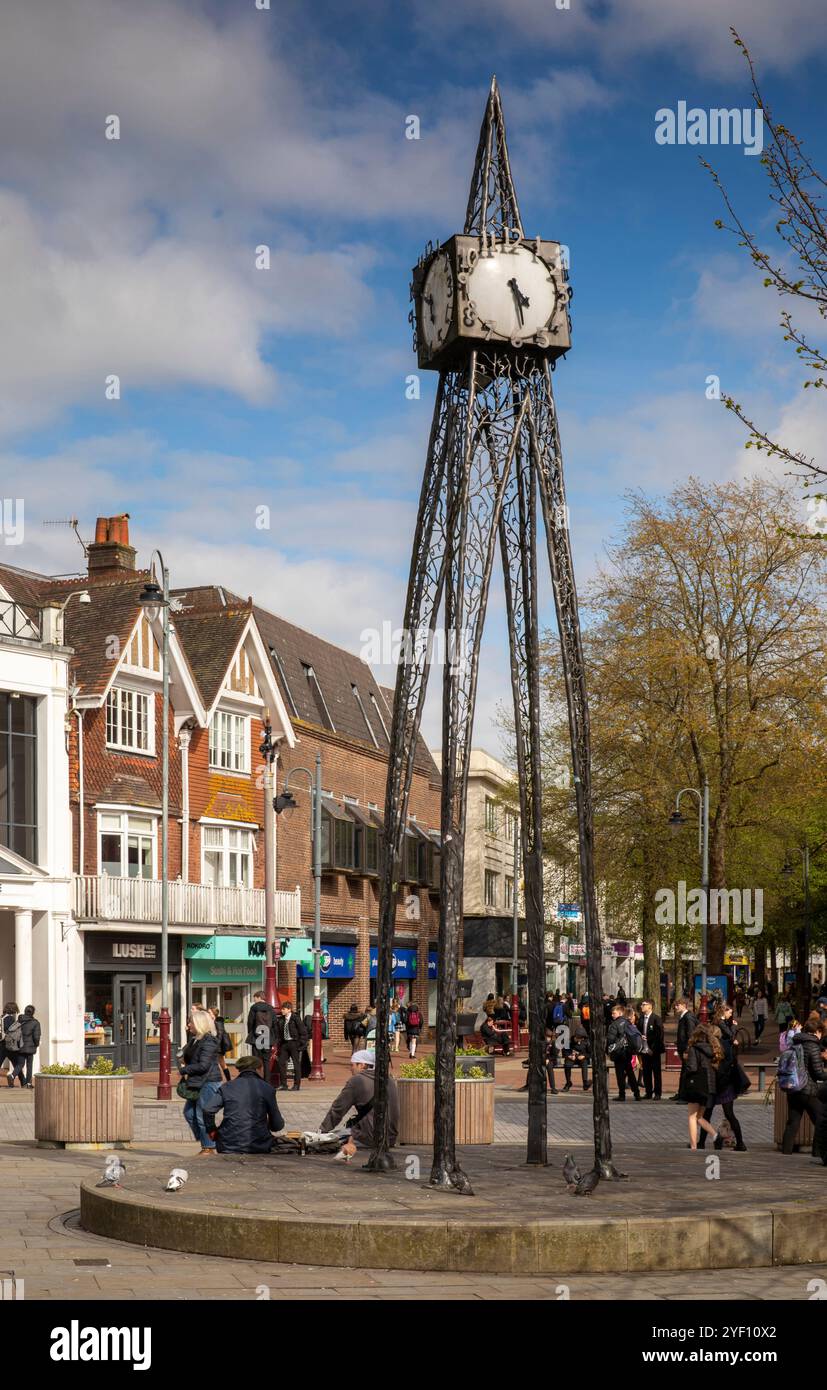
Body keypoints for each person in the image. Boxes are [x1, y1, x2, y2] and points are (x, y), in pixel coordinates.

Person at [319, 1049, 399, 1161]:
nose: (350, 1069)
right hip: (390, 1138)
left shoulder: (357, 1080)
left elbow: (338, 1109)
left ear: (362, 1065)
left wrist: (322, 1132)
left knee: (333, 1137)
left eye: (352, 1065)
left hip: (370, 1138)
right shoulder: (388, 1078)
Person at [201, 1055, 285, 1154]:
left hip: (227, 1144)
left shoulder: (227, 1087)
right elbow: (277, 1126)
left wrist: (211, 1129)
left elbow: (208, 1109)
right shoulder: (267, 1088)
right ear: (259, 1069)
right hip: (258, 1145)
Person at [698, 1006, 747, 1151]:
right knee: (730, 1114)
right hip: (726, 1084)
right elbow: (732, 1062)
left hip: (713, 1084)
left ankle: (701, 1143)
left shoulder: (708, 1047)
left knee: (706, 1114)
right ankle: (740, 1143)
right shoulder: (727, 1045)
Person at [781, 1012, 827, 1157]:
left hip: (793, 1087)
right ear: (817, 1032)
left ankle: (786, 1152)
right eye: (821, 1033)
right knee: (821, 1120)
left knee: (793, 1122)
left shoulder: (795, 1041)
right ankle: (818, 1152)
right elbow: (819, 1073)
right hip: (807, 1089)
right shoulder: (812, 1045)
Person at [180, 1008, 223, 1155]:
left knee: (201, 1115)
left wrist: (185, 1070)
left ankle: (209, 1146)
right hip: (197, 1081)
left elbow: (203, 1065)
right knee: (189, 1113)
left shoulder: (209, 1040)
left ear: (199, 1023)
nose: (188, 1025)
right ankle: (209, 1141)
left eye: (190, 1022)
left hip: (208, 1082)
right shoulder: (195, 1039)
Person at [680, 1024, 721, 1150]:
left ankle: (693, 1146)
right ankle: (715, 1135)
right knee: (699, 1117)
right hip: (709, 1086)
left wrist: (685, 1060)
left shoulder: (694, 1048)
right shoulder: (713, 1048)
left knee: (692, 1116)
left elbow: (692, 1067)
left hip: (696, 1084)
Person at [606, 1004, 640, 1102]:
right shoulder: (628, 1022)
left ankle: (622, 1094)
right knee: (630, 1072)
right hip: (628, 1051)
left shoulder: (614, 1024)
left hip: (619, 1052)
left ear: (620, 1013)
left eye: (614, 1013)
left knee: (620, 1074)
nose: (612, 1015)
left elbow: (610, 1039)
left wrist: (608, 1049)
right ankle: (636, 1093)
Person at [274, 1000, 307, 1092]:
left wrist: (301, 1044)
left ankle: (296, 1085)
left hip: (294, 1043)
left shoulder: (295, 1018)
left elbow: (303, 1032)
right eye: (282, 1009)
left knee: (296, 1064)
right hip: (284, 1044)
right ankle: (283, 1084)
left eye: (284, 1009)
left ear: (289, 1009)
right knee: (281, 1063)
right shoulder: (281, 1019)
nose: (282, 1011)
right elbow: (278, 1032)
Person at [638, 999, 665, 1100]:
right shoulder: (641, 1019)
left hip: (654, 1050)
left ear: (650, 1006)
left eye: (644, 1005)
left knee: (656, 1072)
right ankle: (648, 1092)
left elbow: (659, 1035)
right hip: (644, 1050)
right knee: (646, 1072)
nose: (641, 1006)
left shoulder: (656, 1019)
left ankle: (657, 1093)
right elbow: (638, 1031)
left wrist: (652, 1047)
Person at [246, 991, 277, 1076]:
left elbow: (250, 1022)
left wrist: (250, 1032)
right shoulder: (271, 1008)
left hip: (256, 1037)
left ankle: (256, 1080)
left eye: (254, 998)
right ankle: (267, 1081)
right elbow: (275, 1024)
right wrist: (274, 1037)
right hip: (267, 1037)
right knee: (266, 1062)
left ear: (259, 997)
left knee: (255, 1061)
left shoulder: (254, 1008)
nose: (254, 1000)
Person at [8, 1005, 39, 1089]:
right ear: (33, 1012)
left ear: (25, 1011)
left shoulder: (19, 1020)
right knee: (29, 1065)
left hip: (20, 1046)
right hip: (30, 1047)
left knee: (20, 1064)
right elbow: (36, 1037)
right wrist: (36, 1044)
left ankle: (12, 1075)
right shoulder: (35, 1022)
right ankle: (28, 1084)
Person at [674, 996, 698, 1103]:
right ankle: (681, 1093)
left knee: (686, 1072)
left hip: (686, 1049)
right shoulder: (683, 1016)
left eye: (677, 1005)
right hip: (682, 1047)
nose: (675, 1007)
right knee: (683, 1071)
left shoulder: (688, 1017)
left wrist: (687, 1050)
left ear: (684, 1005)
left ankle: (685, 1096)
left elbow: (690, 1034)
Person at [209, 1008, 234, 1082]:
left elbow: (220, 1034)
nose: (208, 1013)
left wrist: (216, 1045)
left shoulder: (218, 1021)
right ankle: (227, 1080)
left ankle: (227, 1080)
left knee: (221, 1063)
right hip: (215, 1045)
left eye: (209, 1012)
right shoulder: (211, 1021)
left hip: (218, 1046)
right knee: (221, 1063)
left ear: (213, 1014)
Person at [1, 1001, 20, 1085]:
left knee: (16, 1063)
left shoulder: (2, 1017)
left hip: (1, 1043)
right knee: (17, 1063)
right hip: (8, 1045)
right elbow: (12, 1032)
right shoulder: (10, 1019)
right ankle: (23, 1082)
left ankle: (23, 1081)